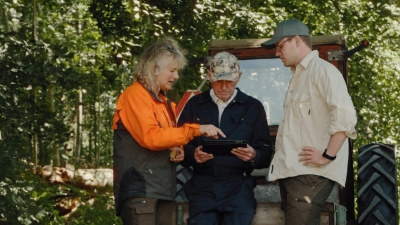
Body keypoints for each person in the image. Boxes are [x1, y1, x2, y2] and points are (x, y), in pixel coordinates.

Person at [112, 37, 225, 225]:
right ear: (153, 68)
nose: (176, 76)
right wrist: (195, 130)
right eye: (172, 71)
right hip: (141, 190)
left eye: (177, 71)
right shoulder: (134, 95)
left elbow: (166, 138)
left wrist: (177, 149)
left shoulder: (165, 103)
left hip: (163, 190)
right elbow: (151, 138)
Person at [261, 19, 357, 225]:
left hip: (311, 174)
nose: (277, 52)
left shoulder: (323, 71)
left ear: (297, 40)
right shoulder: (299, 75)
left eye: (280, 46)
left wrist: (327, 156)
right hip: (297, 173)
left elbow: (346, 116)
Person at [177, 51, 273, 225]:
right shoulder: (194, 105)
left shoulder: (253, 107)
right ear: (209, 76)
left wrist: (254, 156)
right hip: (202, 186)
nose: (223, 87)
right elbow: (178, 145)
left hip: (238, 186)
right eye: (218, 81)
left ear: (239, 77)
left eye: (228, 81)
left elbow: (266, 153)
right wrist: (193, 155)